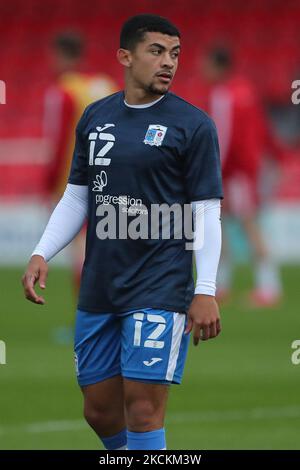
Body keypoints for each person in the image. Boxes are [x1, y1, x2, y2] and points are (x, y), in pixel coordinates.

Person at [22, 14, 223, 451]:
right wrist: (42, 252)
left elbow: (207, 211)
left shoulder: (194, 126)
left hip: (159, 284)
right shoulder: (96, 117)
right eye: (156, 51)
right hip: (100, 285)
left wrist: (204, 288)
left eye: (174, 54)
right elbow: (78, 196)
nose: (168, 62)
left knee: (143, 408)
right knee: (99, 410)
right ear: (125, 56)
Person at [201, 47, 282, 307]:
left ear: (218, 65)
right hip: (249, 169)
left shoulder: (223, 95)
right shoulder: (246, 90)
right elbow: (263, 129)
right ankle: (221, 285)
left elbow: (221, 138)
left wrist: (211, 172)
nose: (202, 68)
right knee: (225, 226)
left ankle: (269, 287)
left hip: (233, 173)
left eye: (206, 63)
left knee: (242, 227)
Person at [44, 32, 118, 289]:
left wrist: (50, 182)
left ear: (61, 56)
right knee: (104, 248)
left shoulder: (62, 91)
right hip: (110, 178)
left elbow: (57, 140)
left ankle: (87, 319)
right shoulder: (104, 85)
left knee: (80, 252)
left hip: (73, 180)